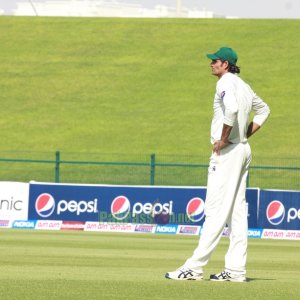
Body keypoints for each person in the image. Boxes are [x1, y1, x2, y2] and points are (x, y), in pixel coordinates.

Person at [165, 47, 270, 282]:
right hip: (242, 149)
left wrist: (224, 138)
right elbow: (264, 110)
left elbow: (231, 109)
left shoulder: (224, 83)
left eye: (215, 61)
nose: (211, 64)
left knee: (214, 211)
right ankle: (235, 271)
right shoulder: (243, 85)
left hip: (229, 152)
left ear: (226, 64)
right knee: (237, 212)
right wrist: (244, 134)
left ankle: (194, 267)